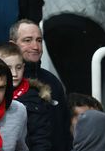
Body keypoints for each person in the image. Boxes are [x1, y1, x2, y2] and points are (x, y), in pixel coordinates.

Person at [10, 20, 71, 151]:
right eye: (27, 40)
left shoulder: (53, 81)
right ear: (12, 45)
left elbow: (64, 130)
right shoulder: (2, 82)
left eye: (39, 40)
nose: (36, 47)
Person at [0, 42, 52, 151]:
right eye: (8, 68)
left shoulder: (35, 99)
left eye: (19, 67)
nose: (14, 73)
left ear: (24, 67)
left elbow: (40, 139)